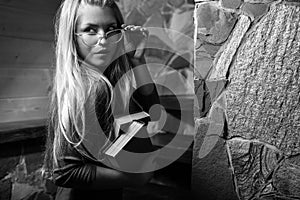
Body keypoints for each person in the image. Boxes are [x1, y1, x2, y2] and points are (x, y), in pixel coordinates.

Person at [43, 0, 160, 199]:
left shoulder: (108, 80)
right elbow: (63, 172)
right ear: (72, 36)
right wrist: (136, 178)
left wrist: (137, 60)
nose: (104, 40)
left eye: (111, 29)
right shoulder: (93, 88)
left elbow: (152, 110)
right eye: (90, 30)